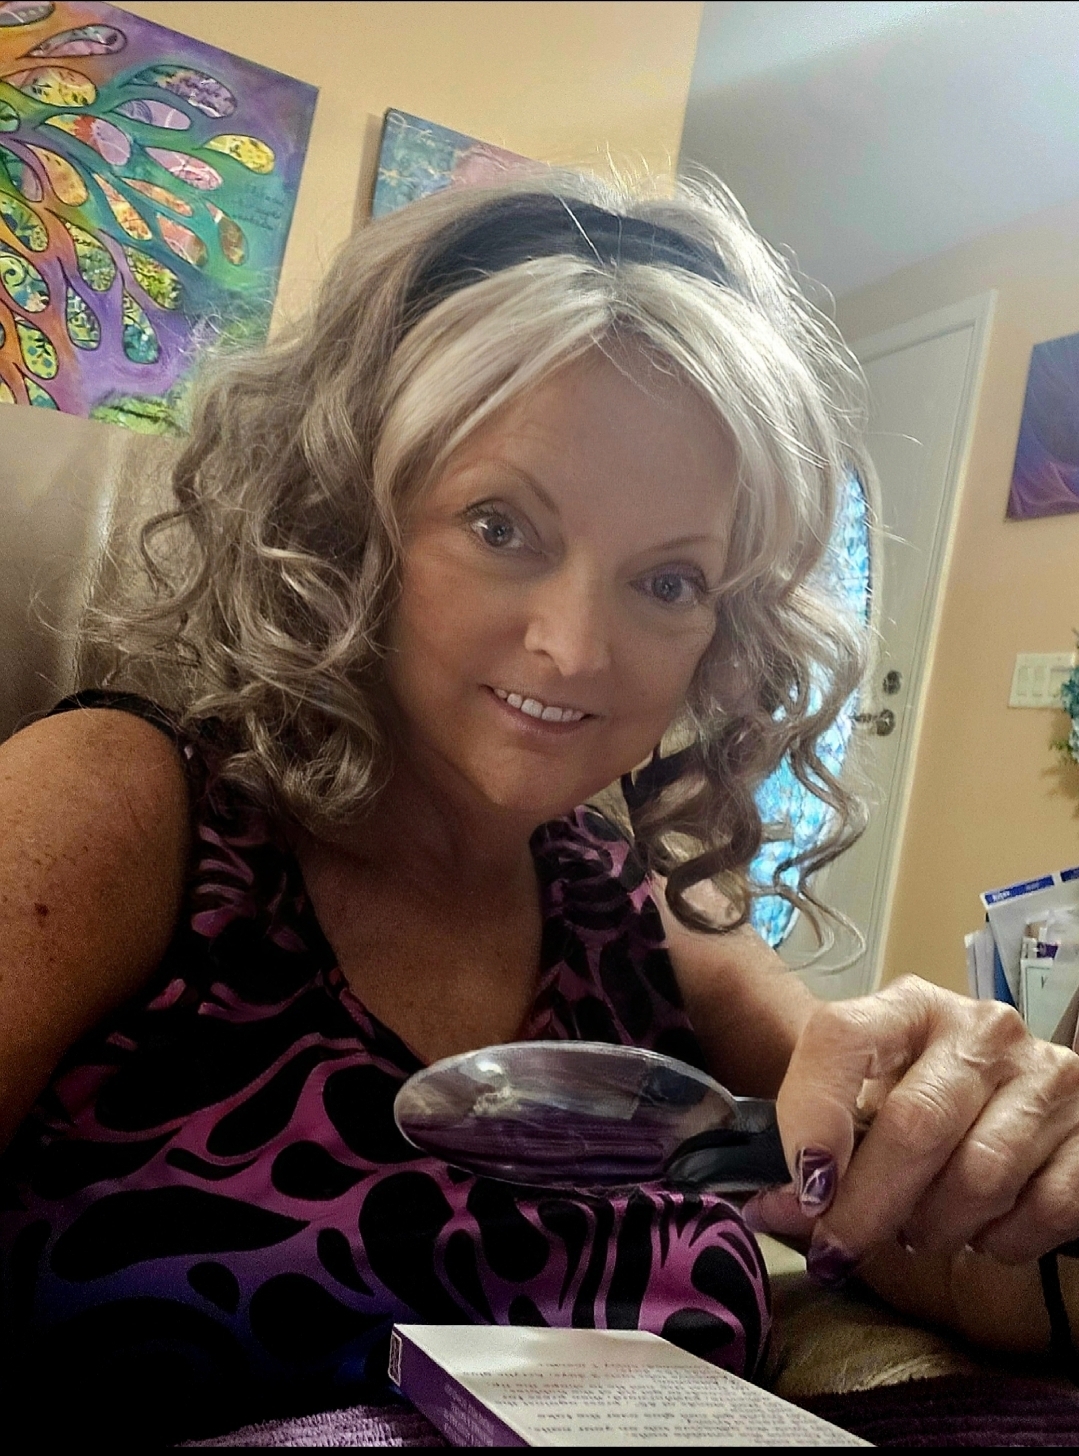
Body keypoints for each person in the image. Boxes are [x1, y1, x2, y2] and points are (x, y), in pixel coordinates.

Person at [1, 175, 1078, 1441]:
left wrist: (1001, 1150)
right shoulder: (125, 807)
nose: (575, 648)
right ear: (348, 518)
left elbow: (921, 1237)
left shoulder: (643, 922)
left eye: (666, 580)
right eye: (500, 525)